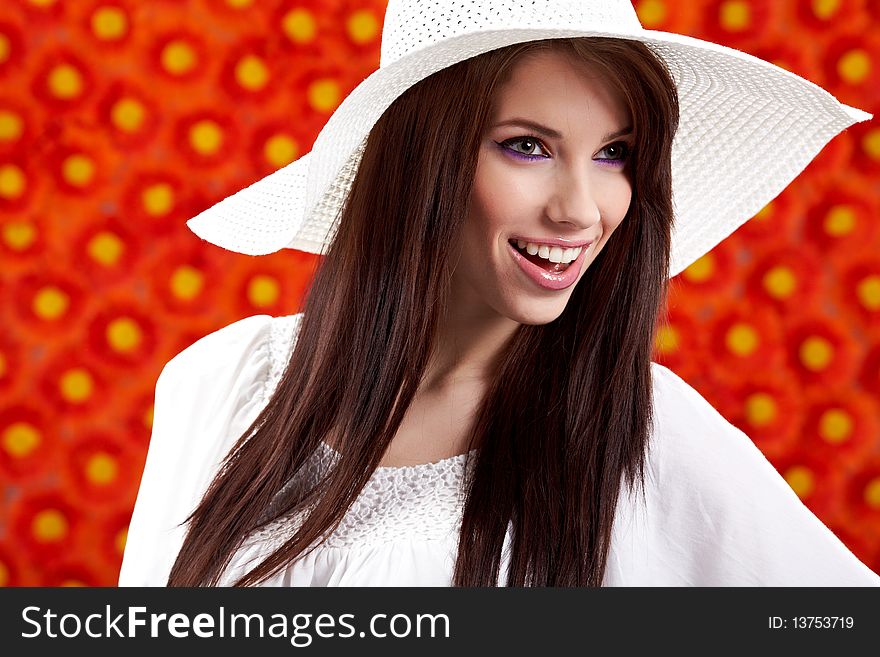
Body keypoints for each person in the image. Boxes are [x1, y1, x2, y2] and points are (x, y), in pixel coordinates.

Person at [117, 0, 880, 587]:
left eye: (615, 154)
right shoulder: (219, 382)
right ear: (422, 160)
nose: (581, 209)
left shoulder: (640, 429)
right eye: (528, 146)